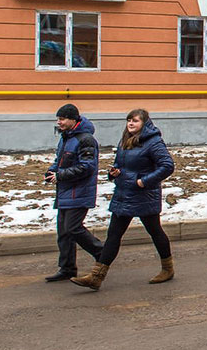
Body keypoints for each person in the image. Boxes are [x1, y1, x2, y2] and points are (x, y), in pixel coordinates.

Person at [71, 109, 175, 291]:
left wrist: (144, 181)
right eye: (129, 120)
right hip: (124, 193)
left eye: (135, 121)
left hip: (144, 195)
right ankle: (96, 277)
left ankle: (168, 268)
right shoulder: (126, 140)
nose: (131, 124)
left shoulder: (153, 142)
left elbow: (167, 166)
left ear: (144, 123)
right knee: (114, 235)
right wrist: (114, 172)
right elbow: (120, 163)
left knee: (155, 231)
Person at [45, 104, 104, 282]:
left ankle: (102, 253)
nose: (59, 122)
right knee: (63, 232)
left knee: (73, 228)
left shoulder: (86, 139)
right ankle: (67, 268)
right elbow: (60, 160)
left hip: (79, 192)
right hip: (65, 191)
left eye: (62, 119)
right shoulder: (65, 138)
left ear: (73, 119)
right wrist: (51, 172)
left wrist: (60, 175)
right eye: (58, 119)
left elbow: (87, 167)